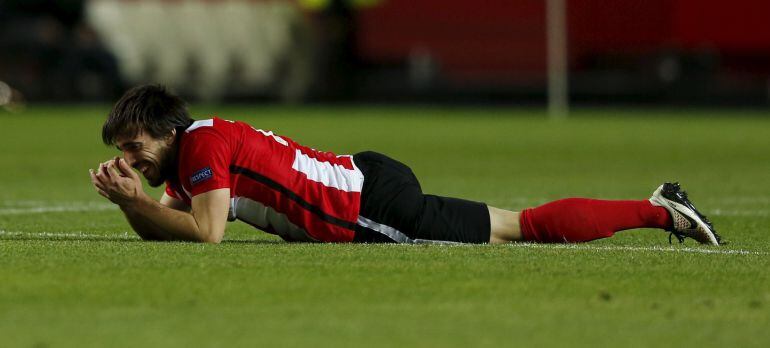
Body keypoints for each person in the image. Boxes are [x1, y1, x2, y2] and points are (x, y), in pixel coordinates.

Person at [89, 85, 723, 245]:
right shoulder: (193, 153)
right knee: (517, 225)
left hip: (370, 211)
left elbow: (206, 234)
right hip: (366, 179)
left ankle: (658, 209)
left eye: (134, 145)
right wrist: (133, 202)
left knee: (522, 227)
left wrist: (133, 203)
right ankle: (656, 206)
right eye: (121, 151)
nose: (129, 158)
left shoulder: (200, 148)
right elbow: (171, 224)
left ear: (167, 132)